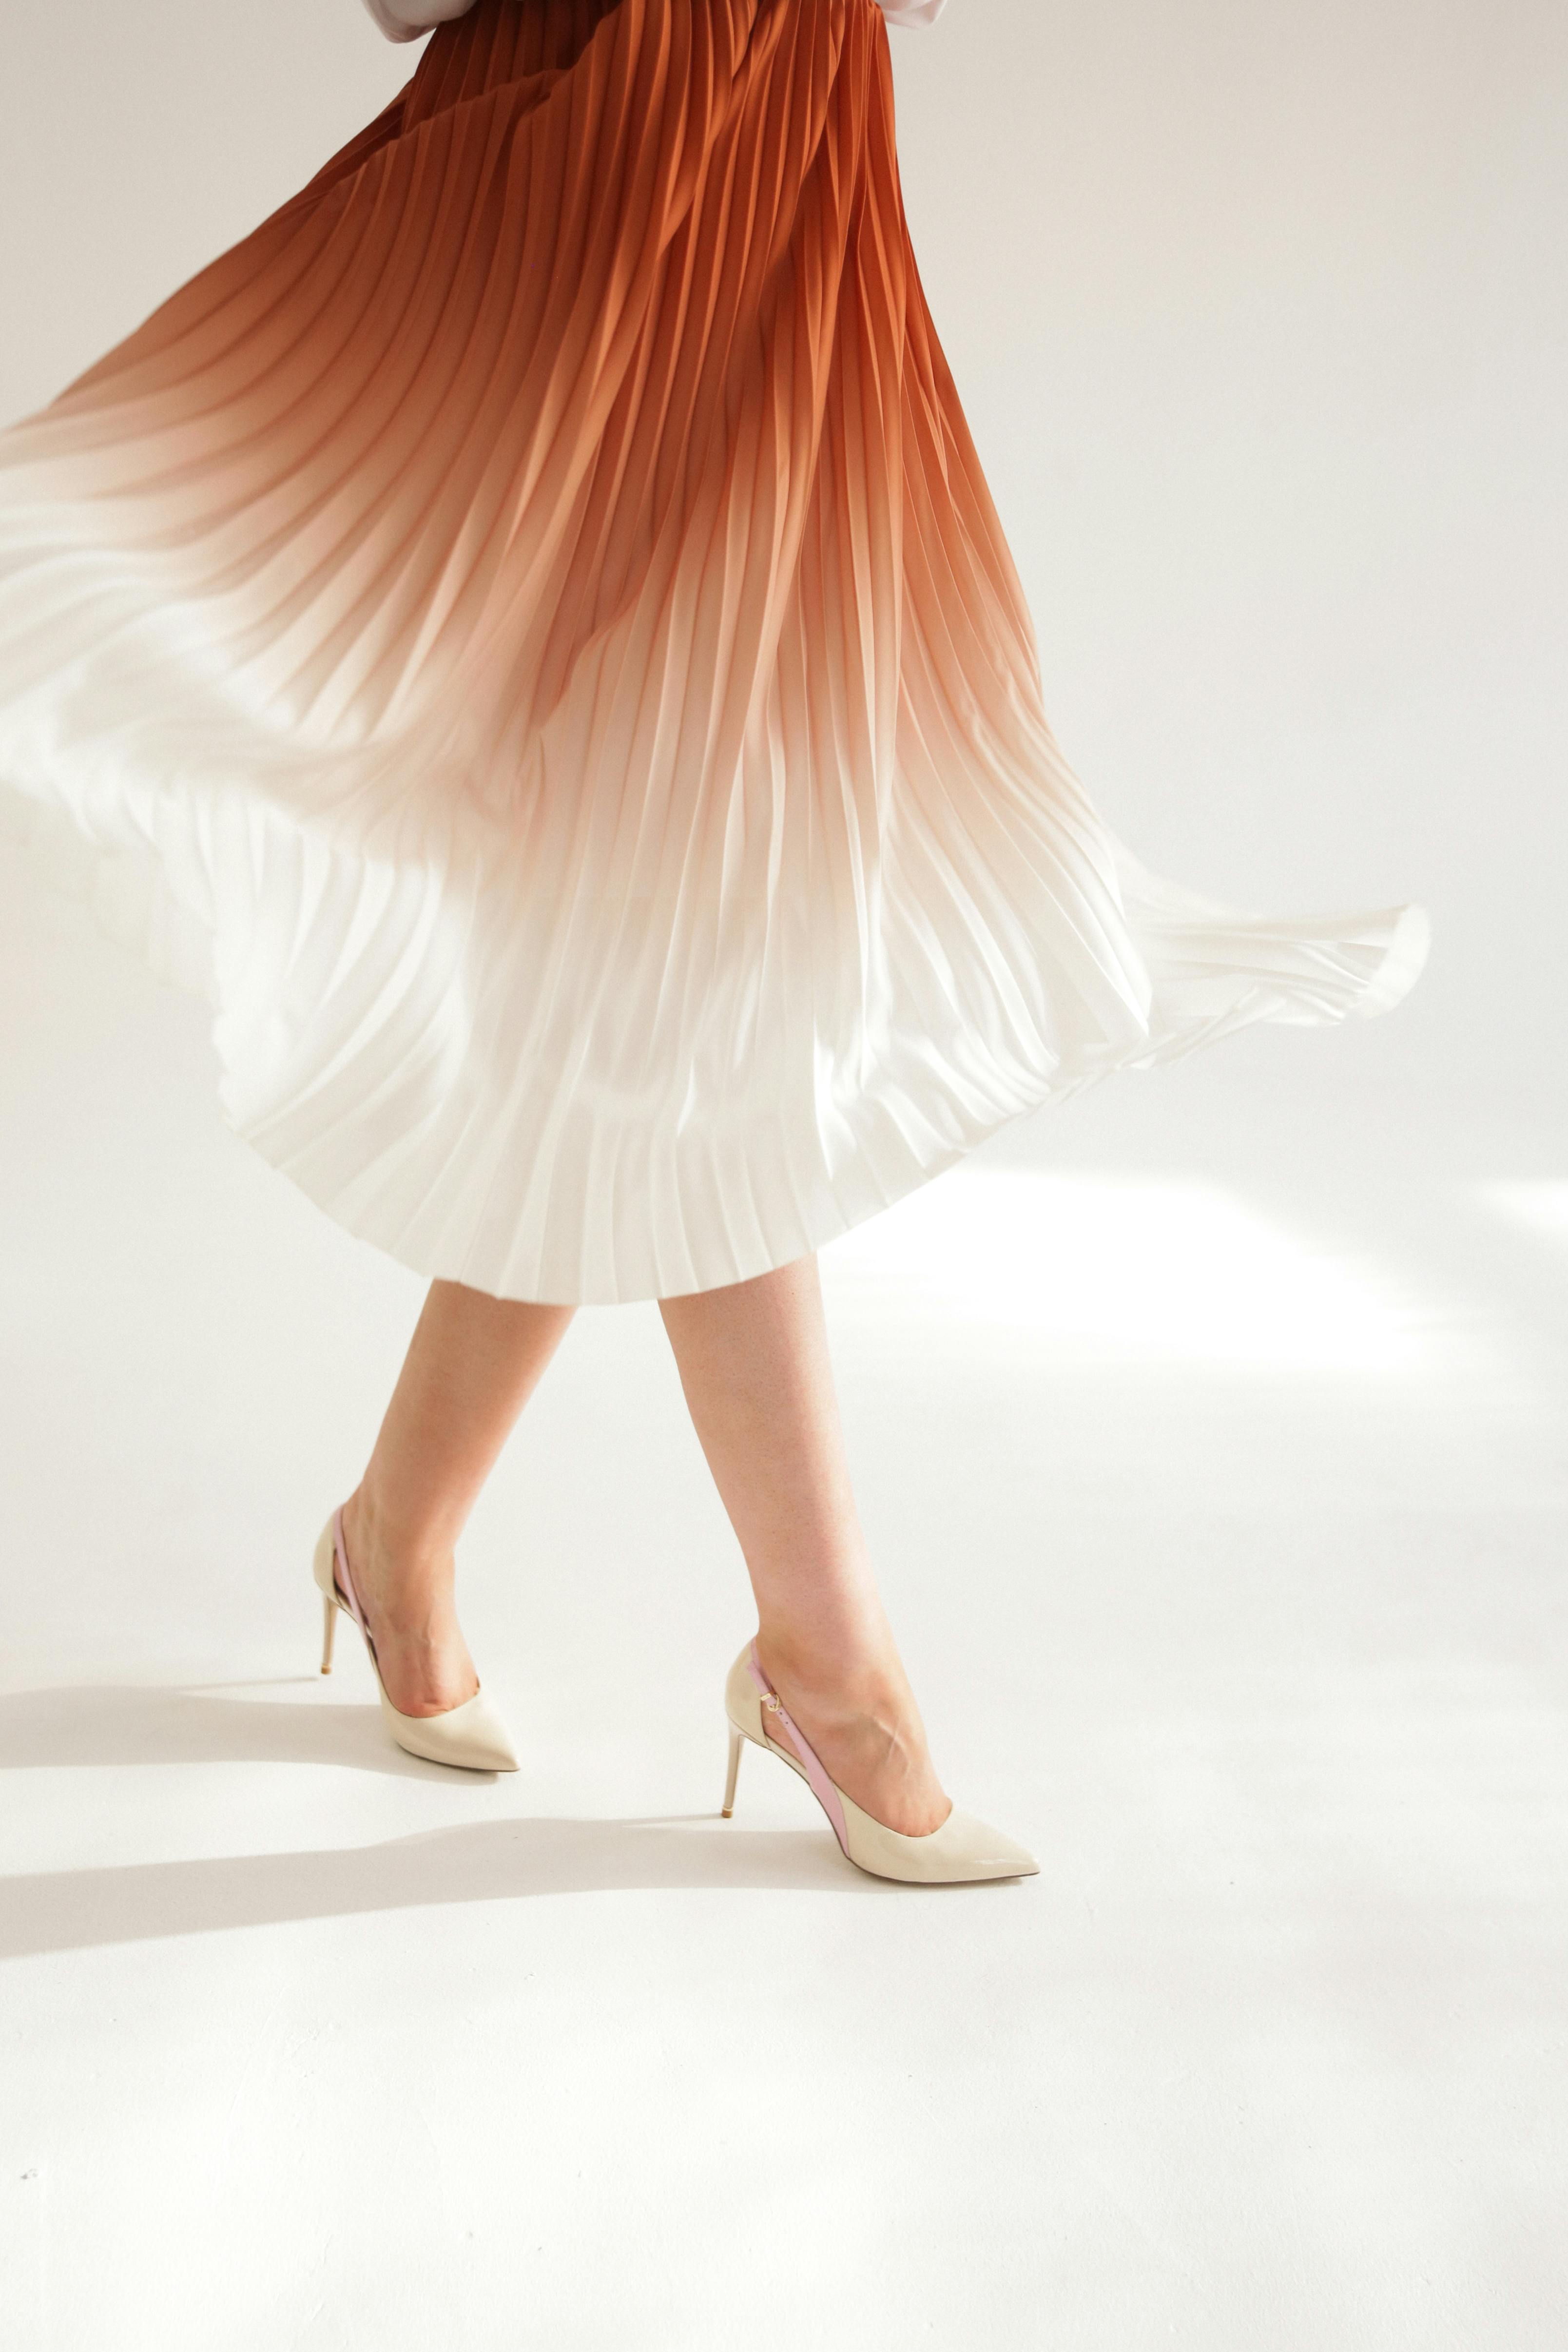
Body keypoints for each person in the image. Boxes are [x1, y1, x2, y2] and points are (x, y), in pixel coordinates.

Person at [0, 0, 1427, 1882]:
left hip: (790, 181)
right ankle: (827, 1663)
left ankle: (402, 1536)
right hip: (592, 168)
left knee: (648, 945)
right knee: (681, 947)